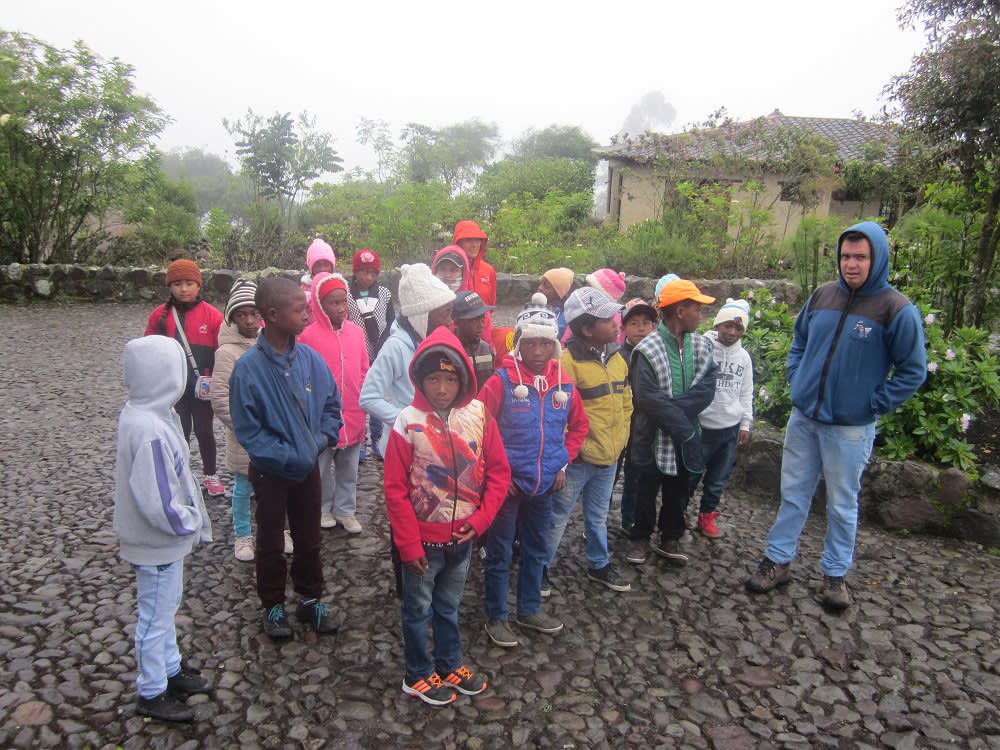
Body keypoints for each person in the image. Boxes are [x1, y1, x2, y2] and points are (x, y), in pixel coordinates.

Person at [746, 221, 926, 610]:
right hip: (805, 418)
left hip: (850, 426)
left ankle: (835, 575)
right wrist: (798, 379)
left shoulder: (896, 309)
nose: (852, 264)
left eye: (861, 256)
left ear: (876, 258)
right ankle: (778, 560)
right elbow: (799, 342)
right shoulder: (822, 295)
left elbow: (913, 369)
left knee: (842, 503)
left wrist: (874, 403)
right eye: (846, 256)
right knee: (793, 495)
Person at [382, 327, 510, 706]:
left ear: (464, 378)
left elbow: (500, 473)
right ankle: (417, 673)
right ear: (420, 378)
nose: (441, 387)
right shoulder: (407, 421)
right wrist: (406, 545)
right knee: (417, 609)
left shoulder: (480, 415)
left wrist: (482, 520)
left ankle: (449, 663)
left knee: (448, 606)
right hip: (421, 542)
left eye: (450, 378)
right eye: (433, 378)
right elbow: (394, 489)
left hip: (463, 539)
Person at [229, 277, 344, 639]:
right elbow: (248, 429)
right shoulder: (248, 369)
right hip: (270, 472)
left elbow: (331, 404)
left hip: (308, 466)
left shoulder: (310, 360)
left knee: (309, 536)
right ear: (273, 315)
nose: (309, 315)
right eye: (300, 309)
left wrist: (319, 441)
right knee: (271, 540)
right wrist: (287, 454)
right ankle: (273, 604)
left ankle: (310, 600)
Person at [478, 299, 589, 647]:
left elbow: (578, 428)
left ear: (555, 345)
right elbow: (478, 428)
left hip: (544, 486)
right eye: (530, 343)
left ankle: (529, 609)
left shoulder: (564, 384)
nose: (538, 351)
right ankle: (496, 616)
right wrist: (499, 476)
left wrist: (561, 463)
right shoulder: (501, 381)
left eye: (545, 343)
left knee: (536, 548)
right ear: (518, 343)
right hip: (506, 488)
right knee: (499, 554)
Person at [115, 335, 213, 723]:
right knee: (156, 615)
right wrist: (188, 522)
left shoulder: (142, 414)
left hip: (156, 541)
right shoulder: (151, 430)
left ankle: (170, 668)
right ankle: (152, 689)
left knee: (164, 608)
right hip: (158, 541)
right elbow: (157, 498)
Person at [625, 279, 718, 569]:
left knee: (678, 488)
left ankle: (670, 536)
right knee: (646, 487)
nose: (700, 314)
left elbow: (707, 387)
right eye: (696, 308)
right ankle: (640, 536)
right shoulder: (648, 349)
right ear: (680, 311)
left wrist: (676, 419)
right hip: (652, 435)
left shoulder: (701, 346)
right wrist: (683, 426)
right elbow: (648, 398)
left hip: (684, 434)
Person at [547, 287, 633, 592]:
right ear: (586, 329)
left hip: (609, 457)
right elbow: (560, 415)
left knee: (598, 514)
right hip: (580, 460)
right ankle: (540, 567)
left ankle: (599, 563)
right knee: (558, 515)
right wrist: (574, 449)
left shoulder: (617, 358)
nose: (616, 323)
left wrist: (620, 438)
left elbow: (626, 401)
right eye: (608, 319)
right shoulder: (567, 364)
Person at [143, 259, 224, 497]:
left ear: (198, 285)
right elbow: (148, 350)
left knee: (205, 431)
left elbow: (222, 350)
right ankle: (180, 473)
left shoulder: (212, 315)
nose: (184, 289)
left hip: (202, 387)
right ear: (170, 286)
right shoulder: (160, 316)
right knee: (179, 431)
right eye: (177, 284)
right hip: (172, 388)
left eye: (189, 283)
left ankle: (211, 474)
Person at [359, 263, 455, 457]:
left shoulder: (437, 340)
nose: (449, 321)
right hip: (403, 447)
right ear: (422, 316)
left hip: (435, 447)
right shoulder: (395, 347)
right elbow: (368, 397)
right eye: (445, 313)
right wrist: (407, 421)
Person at [299, 272, 370, 534]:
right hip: (321, 417)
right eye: (333, 303)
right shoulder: (308, 337)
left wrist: (361, 392)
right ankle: (322, 508)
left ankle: (346, 510)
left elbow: (364, 367)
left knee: (349, 468)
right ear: (320, 305)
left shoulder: (356, 333)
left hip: (353, 412)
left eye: (343, 302)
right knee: (320, 467)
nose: (340, 308)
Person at [690, 298, 755, 539]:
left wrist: (746, 422)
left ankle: (707, 515)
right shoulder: (702, 347)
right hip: (702, 424)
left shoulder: (744, 358)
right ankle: (677, 513)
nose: (732, 332)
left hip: (729, 428)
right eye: (727, 325)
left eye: (738, 328)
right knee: (691, 474)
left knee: (718, 477)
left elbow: (747, 390)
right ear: (718, 324)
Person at [211, 280, 261, 561]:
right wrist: (244, 426)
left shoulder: (270, 342)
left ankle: (279, 530)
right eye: (242, 315)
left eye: (254, 313)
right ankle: (242, 535)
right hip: (244, 435)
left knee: (276, 487)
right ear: (232, 317)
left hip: (272, 430)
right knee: (243, 487)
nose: (249, 320)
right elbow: (219, 397)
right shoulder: (226, 353)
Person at [615, 299, 659, 533]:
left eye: (646, 323)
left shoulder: (656, 356)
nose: (641, 328)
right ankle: (597, 517)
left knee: (635, 472)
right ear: (623, 329)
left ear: (654, 326)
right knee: (610, 473)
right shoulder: (617, 357)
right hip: (619, 424)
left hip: (643, 426)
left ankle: (628, 517)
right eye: (634, 323)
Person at [346, 248, 395, 457]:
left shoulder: (384, 294)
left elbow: (391, 321)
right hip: (355, 352)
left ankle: (376, 436)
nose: (368, 277)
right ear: (355, 271)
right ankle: (359, 438)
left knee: (377, 394)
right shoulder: (346, 294)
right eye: (364, 272)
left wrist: (385, 344)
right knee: (356, 396)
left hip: (378, 350)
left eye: (373, 273)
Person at [453, 221, 497, 343]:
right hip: (458, 337)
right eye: (468, 240)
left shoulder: (488, 270)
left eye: (477, 240)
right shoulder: (449, 271)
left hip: (484, 336)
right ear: (458, 243)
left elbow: (490, 305)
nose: (474, 245)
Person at [451, 290, 496, 391]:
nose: (481, 325)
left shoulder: (486, 349)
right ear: (457, 321)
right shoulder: (448, 350)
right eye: (474, 319)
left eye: (482, 319)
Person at [538, 267, 576, 341]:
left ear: (559, 292)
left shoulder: (564, 320)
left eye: (545, 286)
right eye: (541, 284)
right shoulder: (538, 306)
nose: (540, 288)